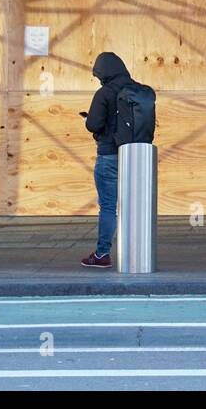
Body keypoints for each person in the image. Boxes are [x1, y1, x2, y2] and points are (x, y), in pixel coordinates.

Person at [79, 52, 132, 268]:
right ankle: (135, 252)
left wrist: (88, 120)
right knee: (133, 205)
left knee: (108, 206)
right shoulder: (138, 89)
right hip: (135, 156)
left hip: (109, 154)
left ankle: (102, 254)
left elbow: (94, 124)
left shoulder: (104, 93)